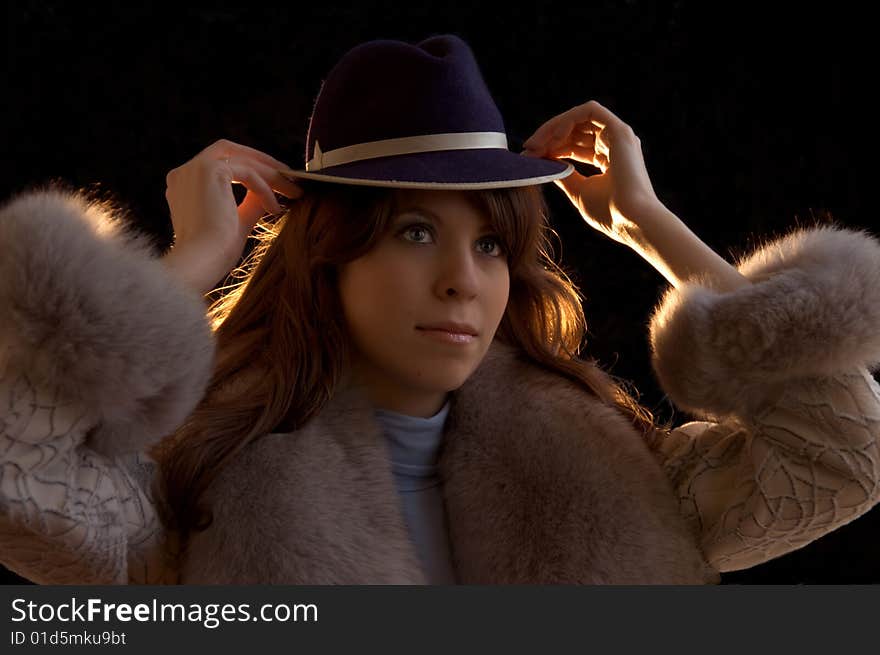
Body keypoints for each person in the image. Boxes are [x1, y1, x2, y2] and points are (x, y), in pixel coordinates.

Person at [1, 34, 879, 585]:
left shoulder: (629, 471)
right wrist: (192, 260)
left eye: (492, 243)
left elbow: (847, 454)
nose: (465, 279)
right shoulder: (192, 490)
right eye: (416, 232)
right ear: (331, 253)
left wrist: (650, 225)